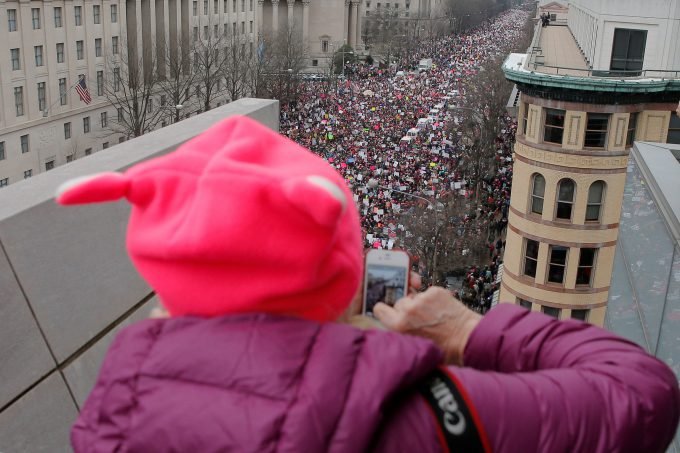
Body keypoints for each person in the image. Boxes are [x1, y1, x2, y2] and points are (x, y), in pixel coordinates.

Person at [59, 116, 679, 452]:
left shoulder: (103, 424)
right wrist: (466, 332)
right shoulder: (421, 417)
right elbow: (642, 394)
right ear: (341, 272)